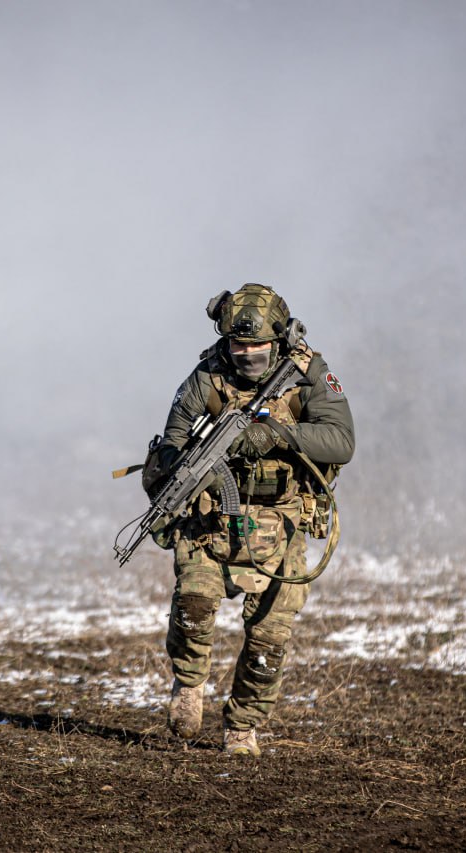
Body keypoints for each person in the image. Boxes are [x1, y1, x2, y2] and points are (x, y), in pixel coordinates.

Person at [152, 283, 355, 757]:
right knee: (193, 606)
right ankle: (189, 684)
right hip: (211, 523)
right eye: (238, 346)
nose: (246, 354)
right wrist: (185, 471)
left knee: (268, 637)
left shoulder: (307, 372)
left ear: (278, 339)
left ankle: (242, 727)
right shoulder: (207, 376)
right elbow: (172, 441)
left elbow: (342, 440)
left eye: (257, 346)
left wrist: (277, 434)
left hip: (282, 522)